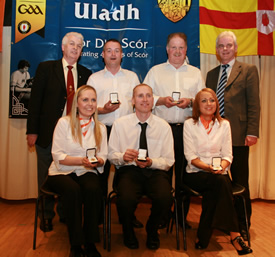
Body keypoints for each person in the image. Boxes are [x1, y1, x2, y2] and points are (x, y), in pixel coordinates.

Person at [26, 32, 92, 232]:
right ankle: (45, 215)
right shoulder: (46, 68)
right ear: (63, 47)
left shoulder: (85, 73)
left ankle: (65, 213)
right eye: (71, 44)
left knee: (69, 175)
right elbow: (35, 101)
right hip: (46, 134)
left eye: (79, 45)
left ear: (82, 50)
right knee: (45, 176)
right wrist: (32, 131)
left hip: (72, 136)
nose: (75, 48)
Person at [143, 32, 205, 226]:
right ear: (167, 49)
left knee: (184, 175)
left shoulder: (195, 73)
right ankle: (161, 215)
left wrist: (191, 102)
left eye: (181, 47)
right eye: (173, 47)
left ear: (186, 50)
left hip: (187, 131)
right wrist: (160, 100)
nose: (177, 51)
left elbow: (204, 101)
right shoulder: (155, 71)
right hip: (161, 130)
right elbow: (143, 97)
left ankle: (180, 216)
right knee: (161, 174)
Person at [183, 88, 253, 255]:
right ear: (197, 105)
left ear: (217, 103)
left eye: (212, 100)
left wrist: (221, 167)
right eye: (204, 100)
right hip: (196, 173)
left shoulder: (224, 125)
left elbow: (228, 155)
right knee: (221, 184)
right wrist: (208, 168)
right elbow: (190, 156)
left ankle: (204, 235)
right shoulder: (189, 124)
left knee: (215, 189)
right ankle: (235, 235)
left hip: (219, 173)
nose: (209, 104)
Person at [206, 31, 260, 240]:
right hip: (215, 137)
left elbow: (253, 104)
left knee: (240, 182)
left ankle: (243, 224)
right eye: (221, 46)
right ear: (217, 50)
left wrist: (252, 131)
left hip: (239, 136)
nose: (225, 49)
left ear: (235, 48)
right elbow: (208, 105)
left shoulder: (248, 70)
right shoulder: (211, 74)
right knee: (219, 180)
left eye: (229, 45)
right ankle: (223, 221)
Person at [108, 84, 174, 250]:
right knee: (125, 199)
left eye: (148, 96)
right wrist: (123, 157)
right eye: (140, 96)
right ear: (132, 100)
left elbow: (169, 160)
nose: (144, 100)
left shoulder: (164, 126)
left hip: (155, 171)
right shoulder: (120, 124)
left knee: (165, 197)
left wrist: (152, 162)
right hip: (129, 170)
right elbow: (111, 154)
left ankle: (152, 229)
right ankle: (128, 230)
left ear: (153, 100)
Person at [47, 85, 107, 257]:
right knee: (73, 191)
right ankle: (75, 244)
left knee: (93, 189)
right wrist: (82, 160)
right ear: (77, 103)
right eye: (85, 99)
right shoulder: (64, 123)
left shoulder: (100, 128)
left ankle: (90, 242)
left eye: (93, 100)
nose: (90, 104)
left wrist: (97, 162)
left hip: (86, 170)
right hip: (61, 171)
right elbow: (57, 155)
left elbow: (103, 155)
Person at [86, 39, 141, 227]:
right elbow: (87, 107)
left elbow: (139, 105)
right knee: (99, 172)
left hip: (126, 131)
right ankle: (99, 215)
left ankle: (128, 215)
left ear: (122, 54)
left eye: (116, 50)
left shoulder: (132, 77)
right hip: (101, 130)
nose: (113, 54)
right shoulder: (94, 79)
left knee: (126, 173)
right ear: (102, 55)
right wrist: (103, 110)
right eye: (108, 50)